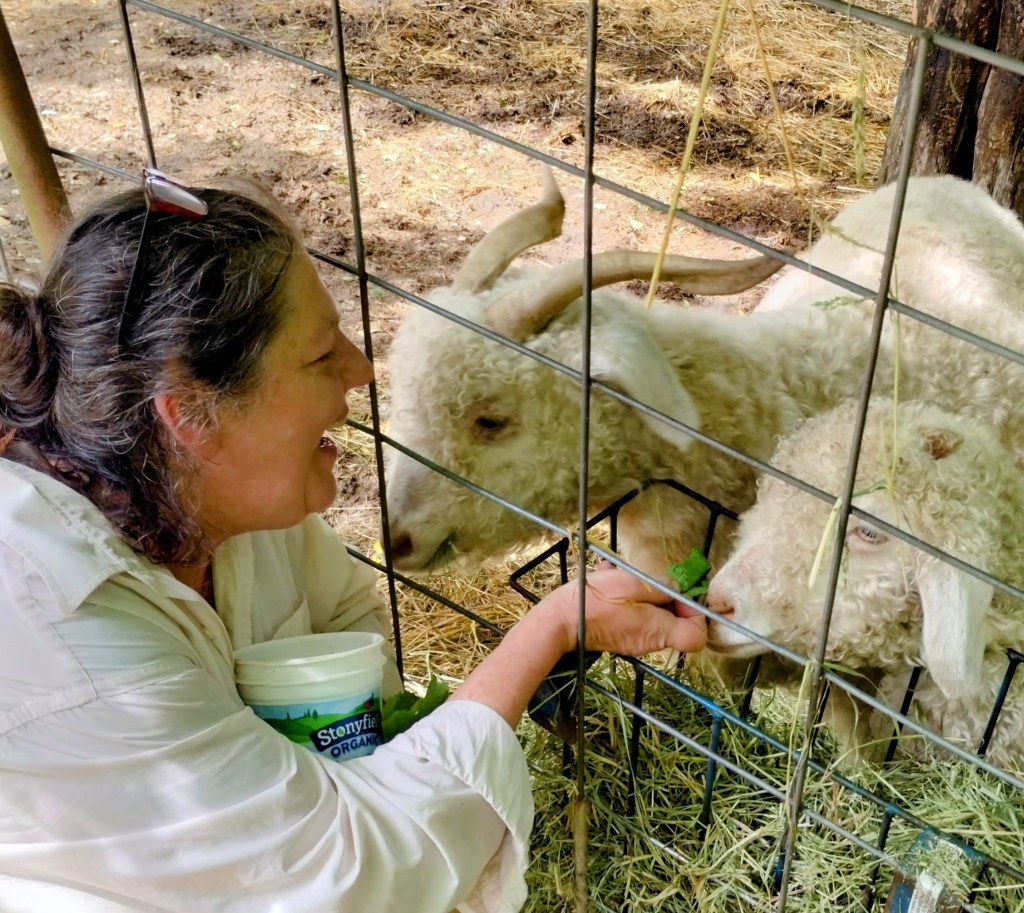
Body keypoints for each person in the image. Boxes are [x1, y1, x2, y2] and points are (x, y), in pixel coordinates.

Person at [0, 171, 708, 913]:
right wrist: (554, 627)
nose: (360, 369)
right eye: (318, 356)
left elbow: (345, 619)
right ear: (192, 415)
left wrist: (382, 757)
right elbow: (349, 877)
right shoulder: (58, 628)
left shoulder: (211, 500)